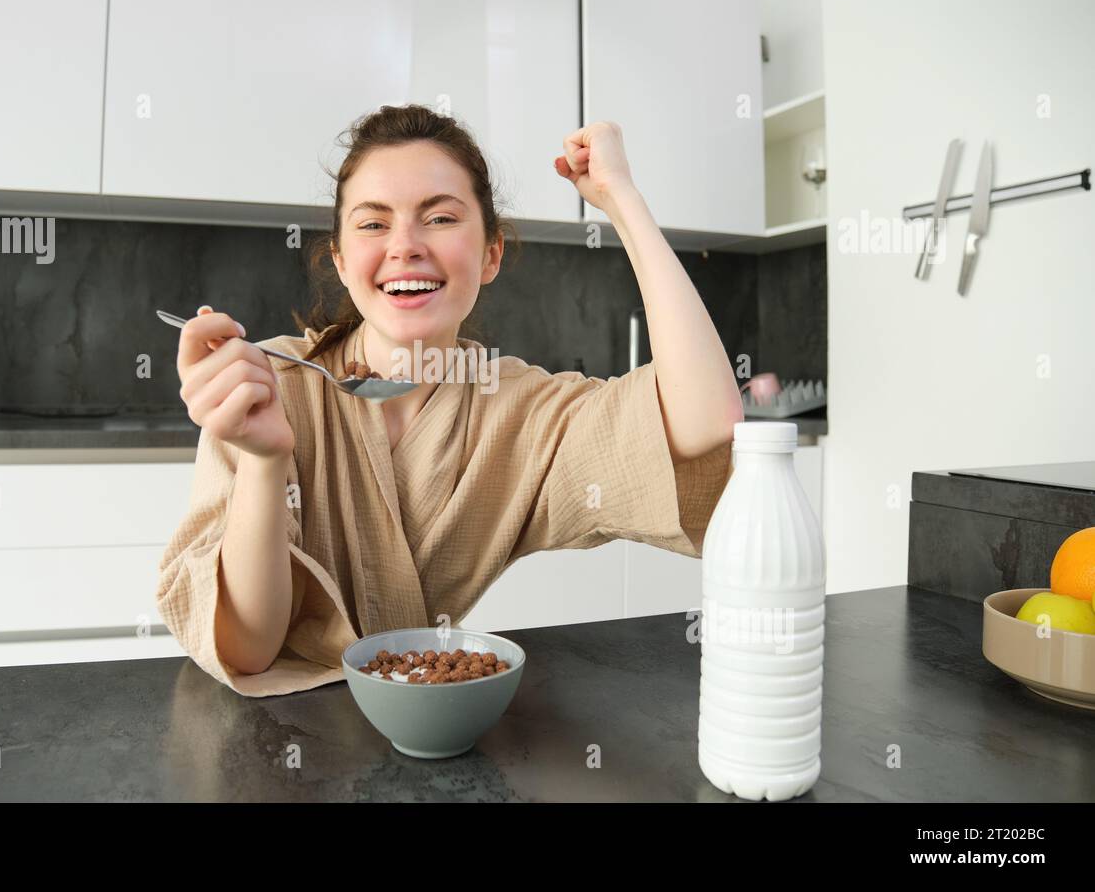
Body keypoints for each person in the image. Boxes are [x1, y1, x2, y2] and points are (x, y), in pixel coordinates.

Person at [157, 104, 742, 696]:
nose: (405, 246)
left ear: (491, 255)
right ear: (340, 259)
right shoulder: (266, 387)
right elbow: (248, 651)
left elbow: (706, 416)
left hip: (439, 730)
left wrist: (622, 200)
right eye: (372, 223)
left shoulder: (519, 411)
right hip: (274, 742)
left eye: (439, 218)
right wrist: (263, 461)